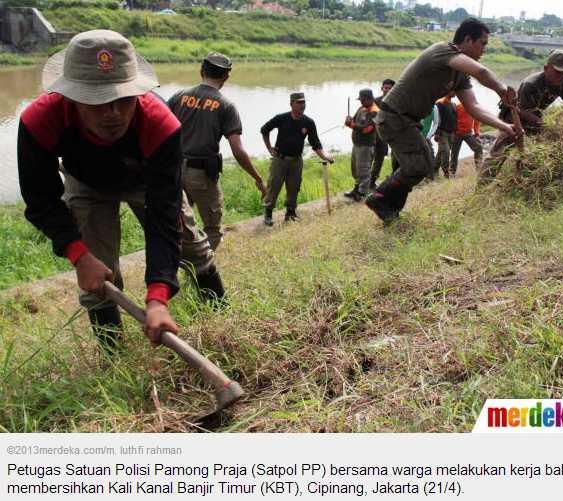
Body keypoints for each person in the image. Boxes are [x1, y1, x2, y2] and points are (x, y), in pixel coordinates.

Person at [17, 30, 223, 354]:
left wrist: (158, 296)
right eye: (97, 101)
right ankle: (115, 358)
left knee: (192, 247)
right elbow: (40, 198)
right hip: (84, 182)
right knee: (99, 280)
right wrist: (78, 255)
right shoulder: (40, 120)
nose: (112, 113)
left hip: (145, 179)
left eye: (123, 99)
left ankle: (220, 319)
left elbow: (163, 213)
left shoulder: (160, 125)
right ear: (72, 97)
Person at [366, 17, 519, 224]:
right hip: (393, 116)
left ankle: (389, 208)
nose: (484, 49)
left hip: (408, 121)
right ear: (467, 39)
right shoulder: (443, 50)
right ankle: (380, 199)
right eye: (482, 43)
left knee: (423, 164)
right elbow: (482, 72)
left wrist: (505, 126)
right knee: (419, 165)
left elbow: (473, 107)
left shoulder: (460, 76)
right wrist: (502, 90)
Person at [168, 52, 266, 250]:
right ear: (226, 76)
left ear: (201, 71)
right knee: (212, 228)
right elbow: (238, 151)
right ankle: (203, 271)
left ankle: (179, 263)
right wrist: (258, 178)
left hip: (174, 171)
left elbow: (159, 130)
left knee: (179, 222)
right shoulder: (226, 106)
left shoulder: (179, 96)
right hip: (201, 175)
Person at [481, 50, 563, 181]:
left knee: (533, 154)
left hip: (535, 120)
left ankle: (523, 180)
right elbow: (523, 110)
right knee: (499, 154)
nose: (561, 76)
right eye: (557, 72)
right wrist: (547, 125)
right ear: (546, 68)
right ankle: (482, 185)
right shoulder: (531, 84)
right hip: (513, 119)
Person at [260, 93, 334, 226]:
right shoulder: (281, 118)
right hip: (280, 159)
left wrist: (325, 157)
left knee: (294, 187)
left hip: (296, 161)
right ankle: (268, 214)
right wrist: (269, 148)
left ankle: (290, 213)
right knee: (274, 186)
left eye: (304, 102)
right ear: (291, 104)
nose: (302, 105)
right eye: (299, 102)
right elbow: (264, 130)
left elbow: (315, 143)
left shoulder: (308, 122)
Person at [344, 88, 380, 201]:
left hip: (366, 145)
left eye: (363, 100)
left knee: (363, 170)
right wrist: (349, 121)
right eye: (360, 100)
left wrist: (351, 125)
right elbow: (354, 120)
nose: (361, 102)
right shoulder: (362, 107)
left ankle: (362, 193)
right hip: (357, 144)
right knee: (355, 169)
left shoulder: (375, 111)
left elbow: (366, 129)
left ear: (369, 99)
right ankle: (356, 189)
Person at [370, 78, 395, 189]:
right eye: (386, 88)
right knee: (369, 159)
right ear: (381, 88)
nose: (387, 90)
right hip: (373, 134)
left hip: (387, 135)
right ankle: (363, 183)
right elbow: (369, 118)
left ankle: (372, 181)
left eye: (390, 88)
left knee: (379, 159)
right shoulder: (375, 101)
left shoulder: (396, 102)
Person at [449, 99, 482, 177]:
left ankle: (479, 169)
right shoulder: (457, 107)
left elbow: (477, 122)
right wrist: (453, 131)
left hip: (468, 133)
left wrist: (477, 133)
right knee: (454, 153)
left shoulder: (473, 107)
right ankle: (452, 173)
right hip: (457, 134)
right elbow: (452, 119)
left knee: (478, 148)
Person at [433, 93, 457, 178]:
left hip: (451, 132)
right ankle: (446, 173)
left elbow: (454, 119)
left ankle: (434, 169)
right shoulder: (439, 103)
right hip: (442, 133)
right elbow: (437, 119)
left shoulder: (453, 104)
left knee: (441, 152)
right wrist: (436, 133)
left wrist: (455, 132)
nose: (455, 92)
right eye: (453, 90)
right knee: (446, 151)